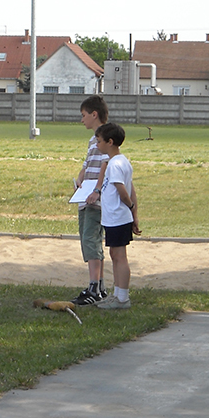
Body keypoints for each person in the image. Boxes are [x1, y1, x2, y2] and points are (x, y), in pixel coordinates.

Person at [94, 122, 140, 310]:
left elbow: (123, 190)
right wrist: (134, 213)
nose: (97, 144)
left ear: (110, 142)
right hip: (114, 217)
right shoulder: (120, 162)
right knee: (115, 254)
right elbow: (130, 188)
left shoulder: (114, 164)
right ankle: (117, 294)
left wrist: (130, 207)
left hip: (118, 217)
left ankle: (123, 298)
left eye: (99, 141)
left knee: (120, 256)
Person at [71, 95, 110, 306]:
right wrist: (80, 179)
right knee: (89, 240)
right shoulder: (92, 140)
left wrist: (97, 190)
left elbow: (105, 164)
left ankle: (94, 287)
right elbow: (87, 165)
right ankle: (99, 287)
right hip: (85, 197)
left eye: (84, 115)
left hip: (95, 199)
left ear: (94, 114)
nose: (82, 119)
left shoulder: (104, 137)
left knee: (91, 240)